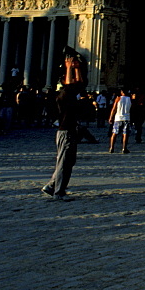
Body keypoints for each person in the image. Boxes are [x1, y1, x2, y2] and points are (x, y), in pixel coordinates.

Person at [42, 53, 85, 201]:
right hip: (65, 132)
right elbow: (70, 85)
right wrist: (68, 68)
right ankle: (59, 192)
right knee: (63, 162)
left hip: (70, 131)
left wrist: (77, 68)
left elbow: (80, 84)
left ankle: (51, 185)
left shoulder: (71, 94)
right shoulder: (63, 96)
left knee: (68, 161)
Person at [107, 87, 133, 154]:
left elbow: (114, 109)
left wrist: (110, 117)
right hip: (126, 118)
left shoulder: (118, 98)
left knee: (114, 133)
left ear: (121, 92)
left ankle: (111, 148)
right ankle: (124, 148)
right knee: (125, 134)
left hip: (118, 118)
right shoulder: (130, 99)